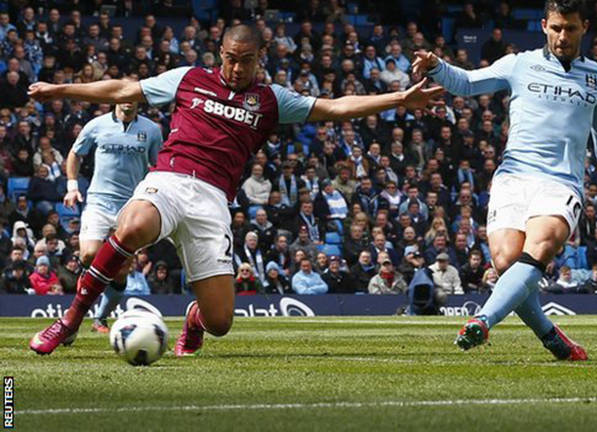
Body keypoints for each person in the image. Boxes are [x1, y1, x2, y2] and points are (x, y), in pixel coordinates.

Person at [29, 24, 443, 356]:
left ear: (259, 59)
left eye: (247, 61)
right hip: (169, 180)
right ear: (220, 53)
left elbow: (334, 107)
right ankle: (72, 320)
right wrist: (58, 90)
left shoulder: (271, 99)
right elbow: (123, 89)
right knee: (134, 224)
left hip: (212, 201)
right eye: (231, 59)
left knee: (220, 322)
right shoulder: (189, 78)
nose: (238, 68)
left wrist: (399, 100)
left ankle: (193, 321)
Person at [413, 0, 597, 360]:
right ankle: (553, 338)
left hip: (561, 183)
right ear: (543, 26)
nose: (562, 36)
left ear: (584, 27)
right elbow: (468, 82)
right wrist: (435, 67)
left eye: (570, 28)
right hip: (513, 177)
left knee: (539, 248)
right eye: (555, 27)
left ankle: (482, 321)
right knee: (506, 263)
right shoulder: (519, 64)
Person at [64, 100, 162, 334]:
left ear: (139, 100)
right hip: (99, 201)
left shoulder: (151, 130)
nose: (127, 99)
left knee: (122, 269)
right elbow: (75, 154)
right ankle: (88, 278)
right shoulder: (96, 125)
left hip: (132, 204)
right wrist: (72, 185)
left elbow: (158, 165)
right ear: (115, 98)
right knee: (88, 254)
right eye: (122, 94)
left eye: (132, 95)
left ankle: (101, 317)